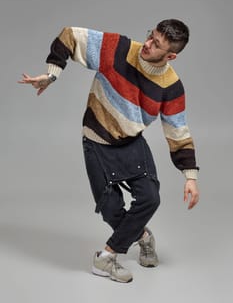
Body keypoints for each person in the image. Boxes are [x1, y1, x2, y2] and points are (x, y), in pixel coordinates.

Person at [18, 19, 199, 283]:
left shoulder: (172, 86)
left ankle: (105, 258)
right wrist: (52, 73)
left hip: (131, 141)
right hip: (96, 139)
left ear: (171, 55)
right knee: (110, 209)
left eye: (156, 44)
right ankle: (143, 237)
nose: (147, 43)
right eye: (150, 35)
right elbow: (70, 36)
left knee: (150, 197)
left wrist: (190, 176)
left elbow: (177, 130)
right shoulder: (118, 48)